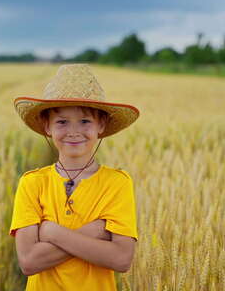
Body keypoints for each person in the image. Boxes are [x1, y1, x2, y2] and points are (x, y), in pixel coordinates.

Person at [9, 64, 140, 290]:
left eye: (85, 121)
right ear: (46, 126)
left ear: (101, 124)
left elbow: (121, 259)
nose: (73, 131)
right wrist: (95, 231)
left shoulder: (117, 183)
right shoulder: (32, 183)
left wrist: (51, 232)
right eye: (62, 122)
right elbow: (29, 262)